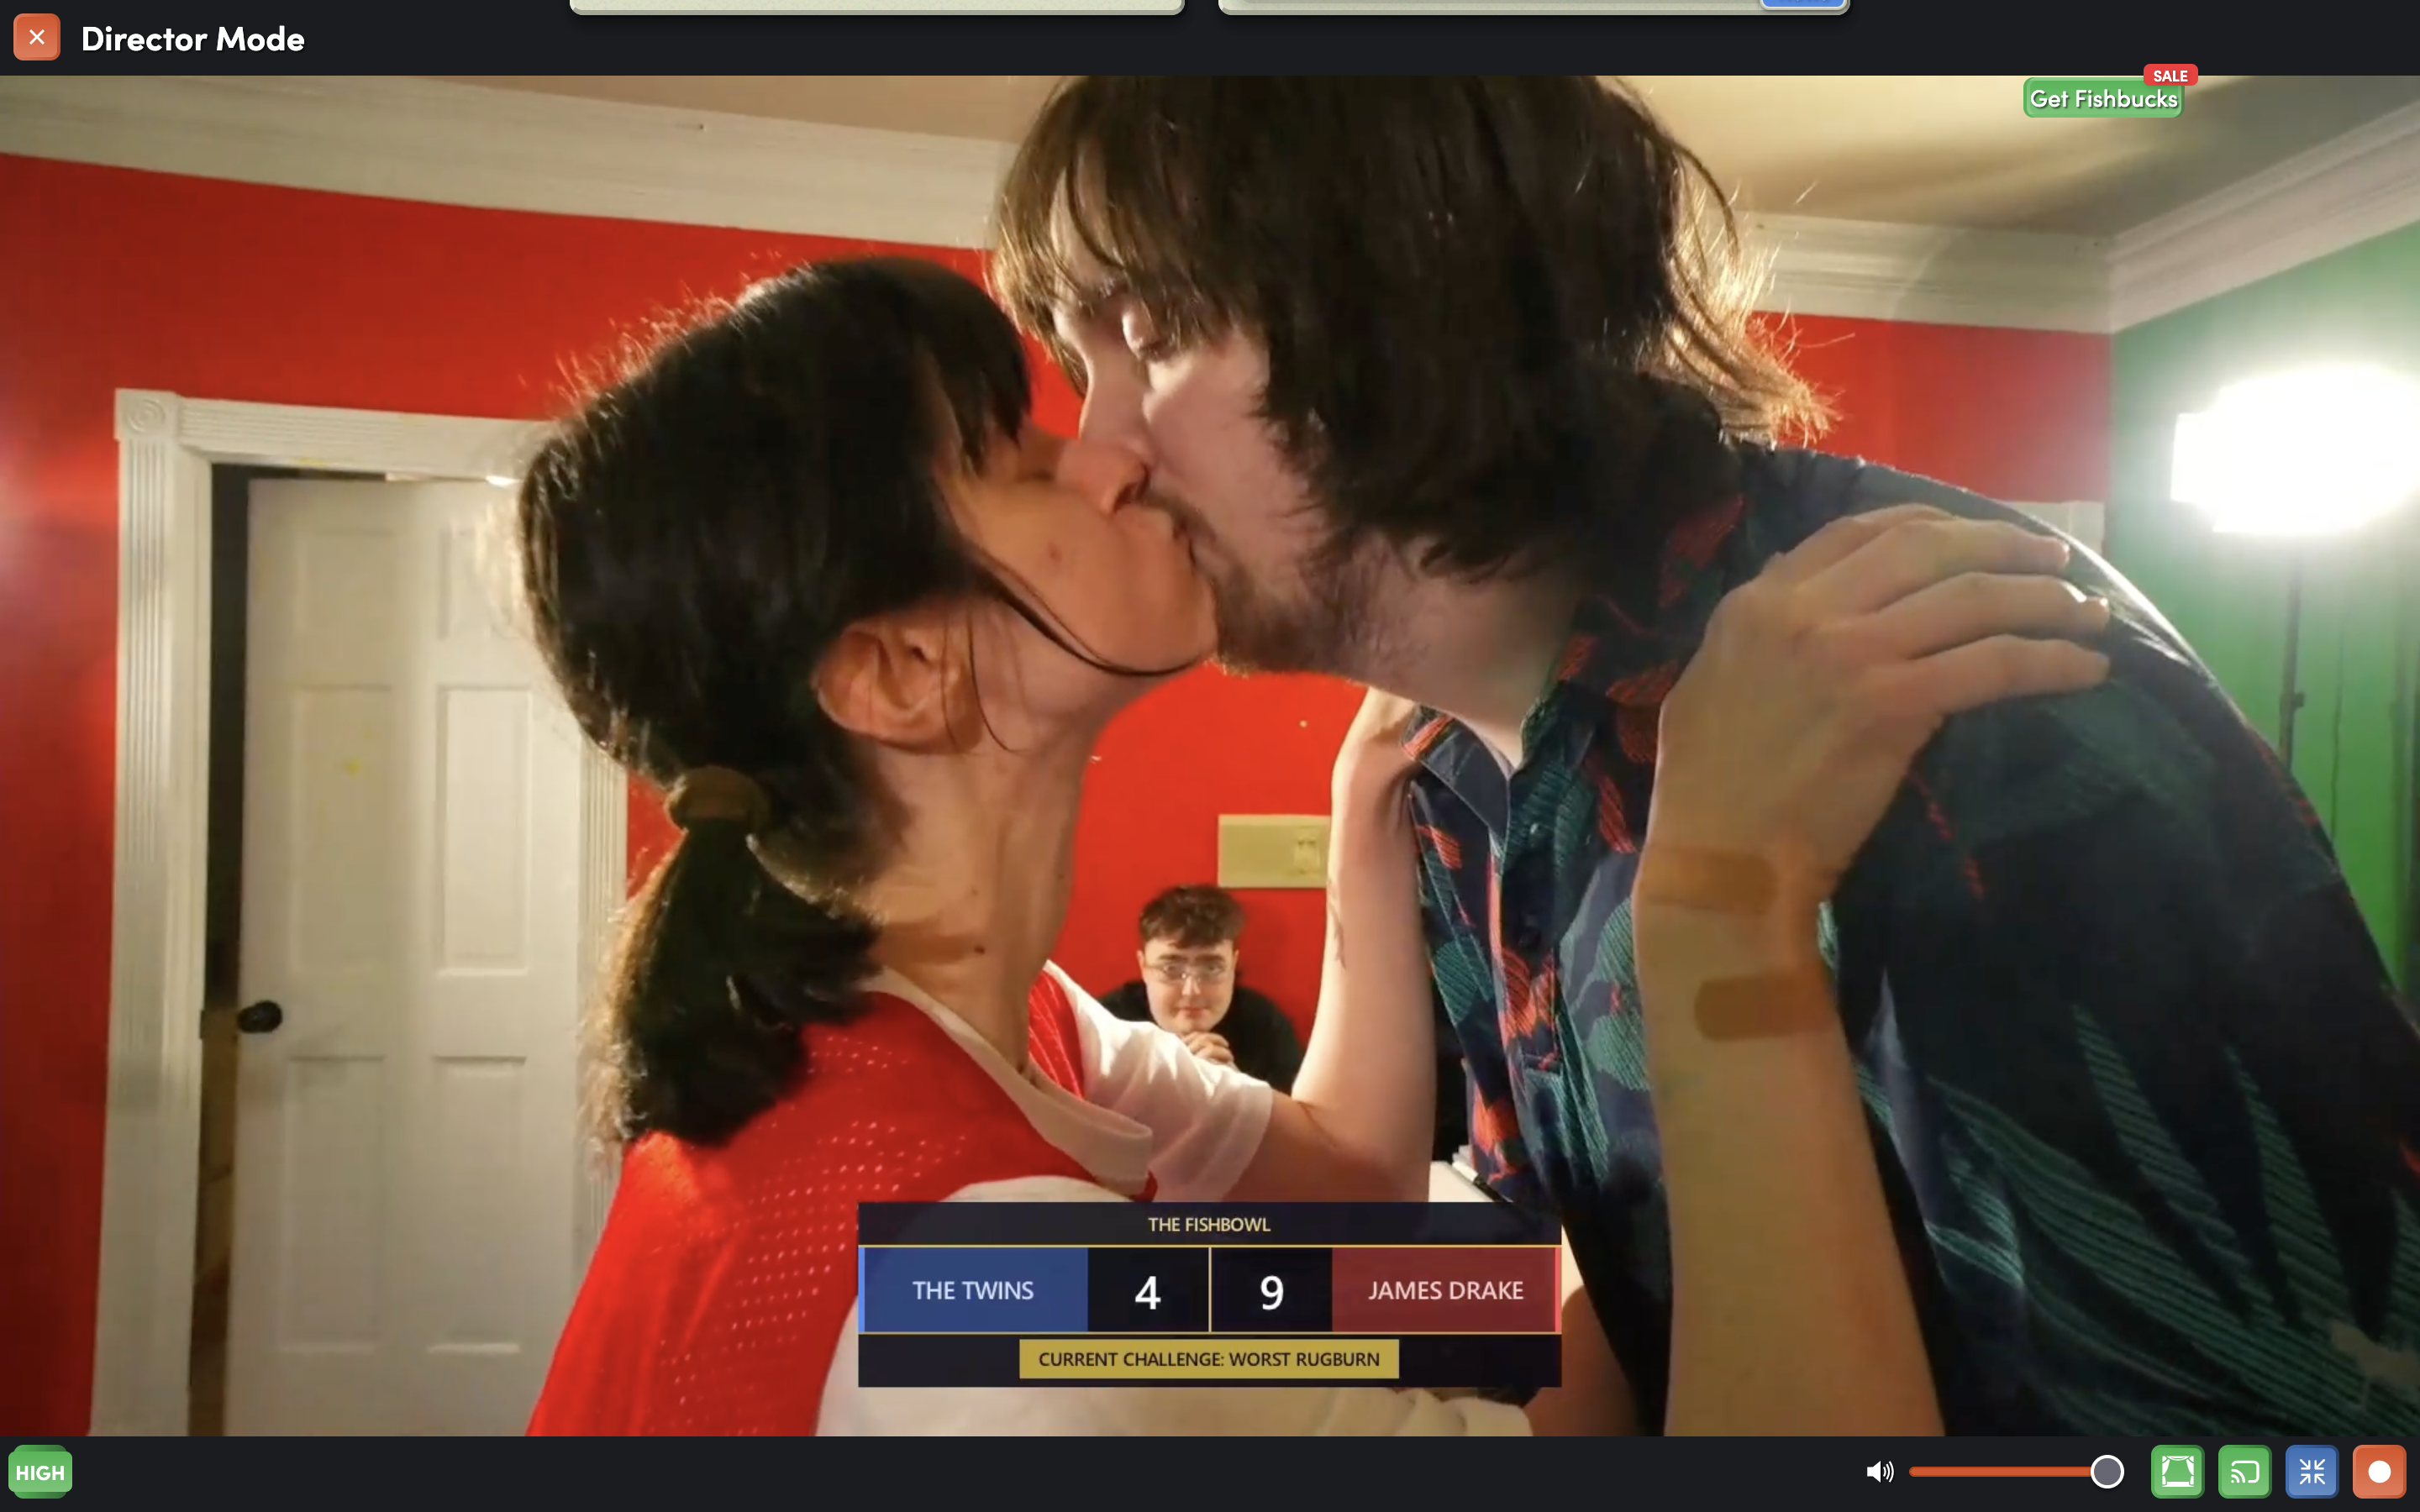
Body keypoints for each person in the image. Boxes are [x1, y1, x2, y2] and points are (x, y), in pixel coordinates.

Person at [993, 76, 2420, 1437]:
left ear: (1407, 297)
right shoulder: (1458, 778)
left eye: (1154, 334)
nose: (1101, 452)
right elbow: (1592, 1275)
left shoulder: (1934, 704)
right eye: (1079, 360)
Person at [513, 255, 2102, 1436]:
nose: (1113, 458)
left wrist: (1363, 827)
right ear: (902, 670)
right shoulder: (993, 1296)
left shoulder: (993, 1039)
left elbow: (1347, 1185)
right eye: (1019, 460)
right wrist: (1713, 904)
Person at [1099, 885, 1306, 1090]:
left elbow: (1297, 1109)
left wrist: (1237, 1090)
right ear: (1144, 967)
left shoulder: (1265, 1027)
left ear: (1233, 965)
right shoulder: (1106, 1025)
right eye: (1170, 969)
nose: (1192, 991)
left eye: (1211, 968)